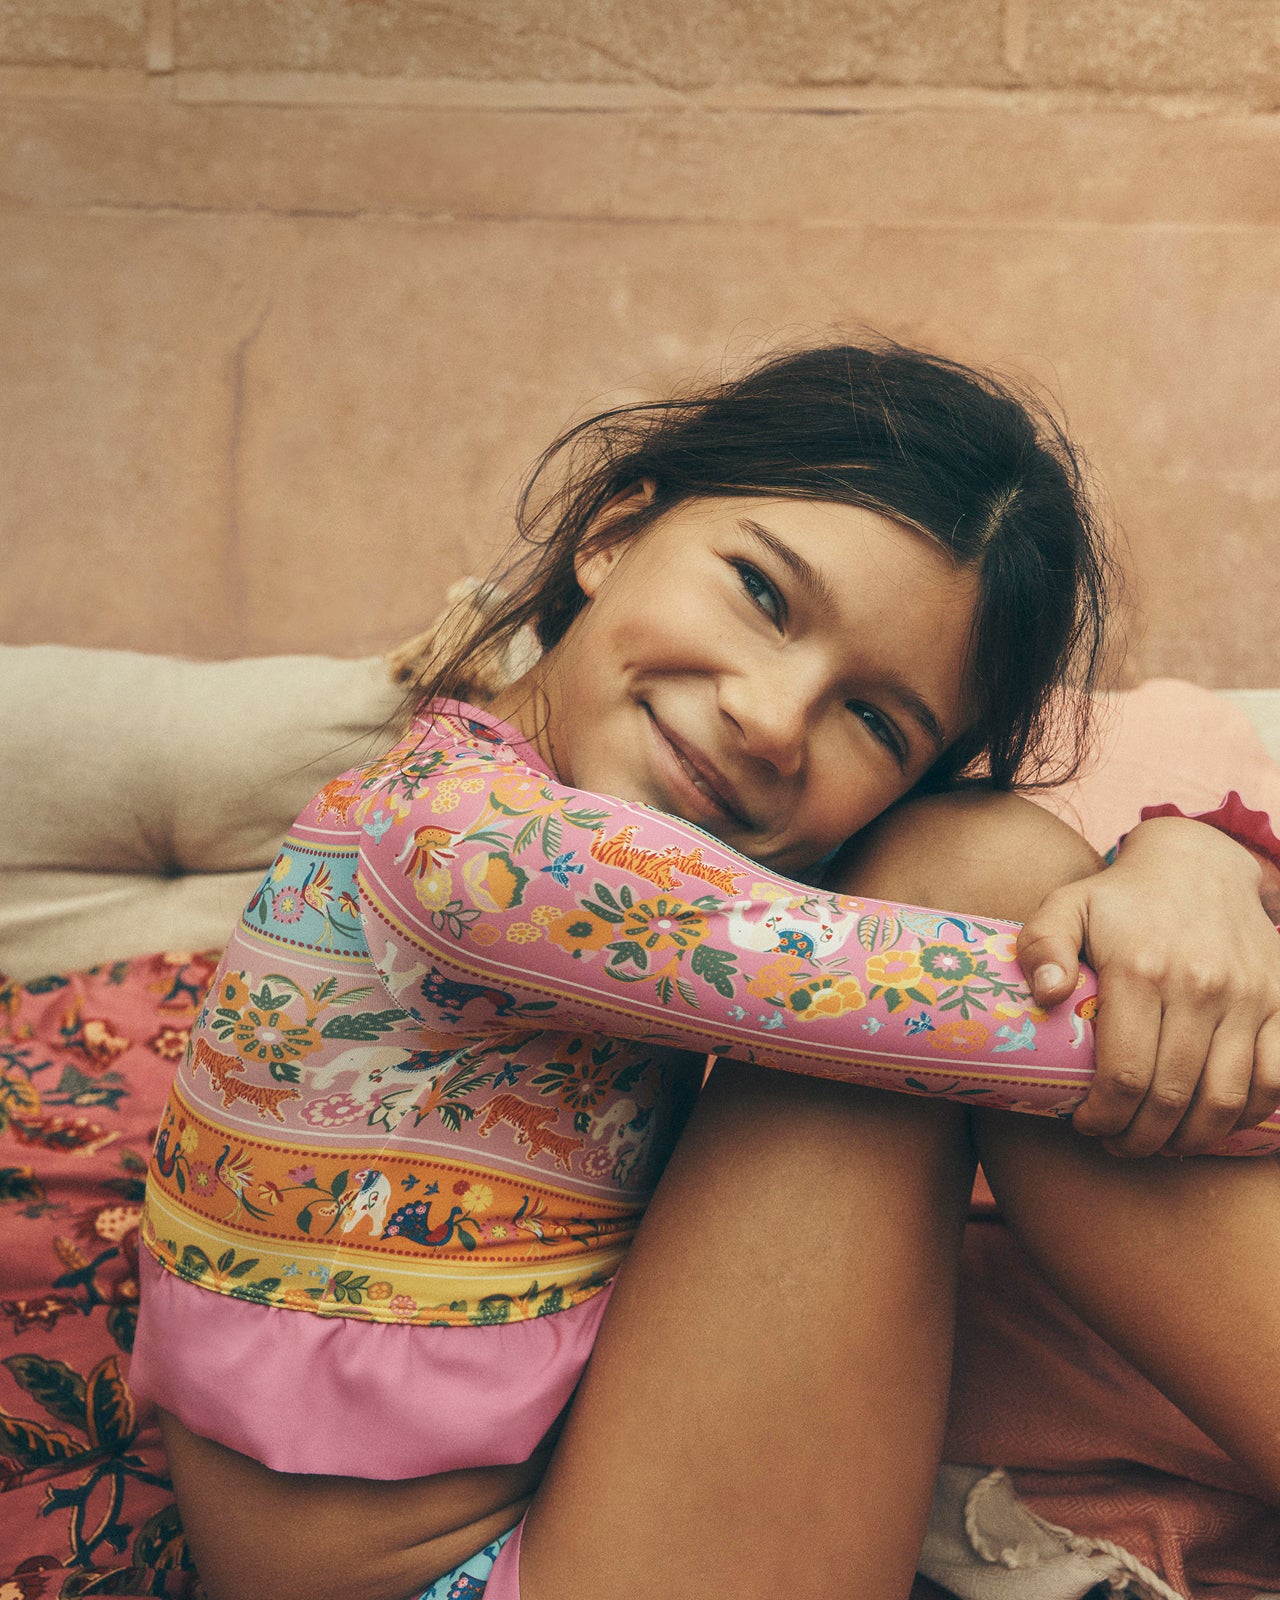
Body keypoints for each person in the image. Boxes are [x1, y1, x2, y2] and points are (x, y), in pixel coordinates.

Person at [131, 341, 1280, 1600]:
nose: (773, 719)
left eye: (874, 721)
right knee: (986, 879)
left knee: (983, 859)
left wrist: (1187, 859)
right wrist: (1189, 888)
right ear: (613, 533)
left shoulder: (587, 825)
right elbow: (1018, 1018)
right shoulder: (471, 848)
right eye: (761, 592)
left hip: (577, 1494)